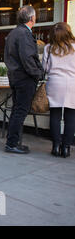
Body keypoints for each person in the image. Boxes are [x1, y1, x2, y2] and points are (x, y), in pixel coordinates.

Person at [4, 5, 44, 154]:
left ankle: (12, 142)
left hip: (15, 76)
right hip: (24, 78)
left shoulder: (14, 33)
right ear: (32, 18)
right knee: (20, 111)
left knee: (16, 110)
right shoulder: (24, 34)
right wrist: (38, 74)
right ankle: (12, 144)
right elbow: (28, 58)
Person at [43, 22, 75, 158]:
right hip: (72, 83)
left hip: (55, 83)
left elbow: (45, 67)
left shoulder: (49, 48)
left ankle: (56, 146)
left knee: (55, 115)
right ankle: (66, 148)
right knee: (71, 116)